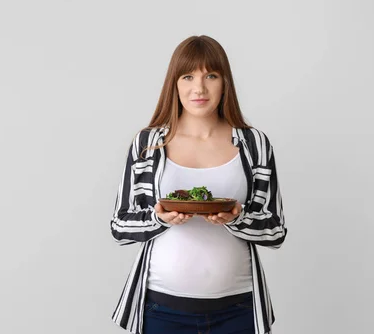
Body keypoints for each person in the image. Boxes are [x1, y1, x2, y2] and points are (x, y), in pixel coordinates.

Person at [110, 35, 287, 334]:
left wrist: (237, 218)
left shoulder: (254, 144)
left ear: (225, 83)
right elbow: (119, 226)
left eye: (211, 76)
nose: (199, 88)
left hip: (239, 310)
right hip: (160, 310)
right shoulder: (148, 144)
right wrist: (159, 218)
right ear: (174, 83)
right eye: (188, 76)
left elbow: (276, 231)